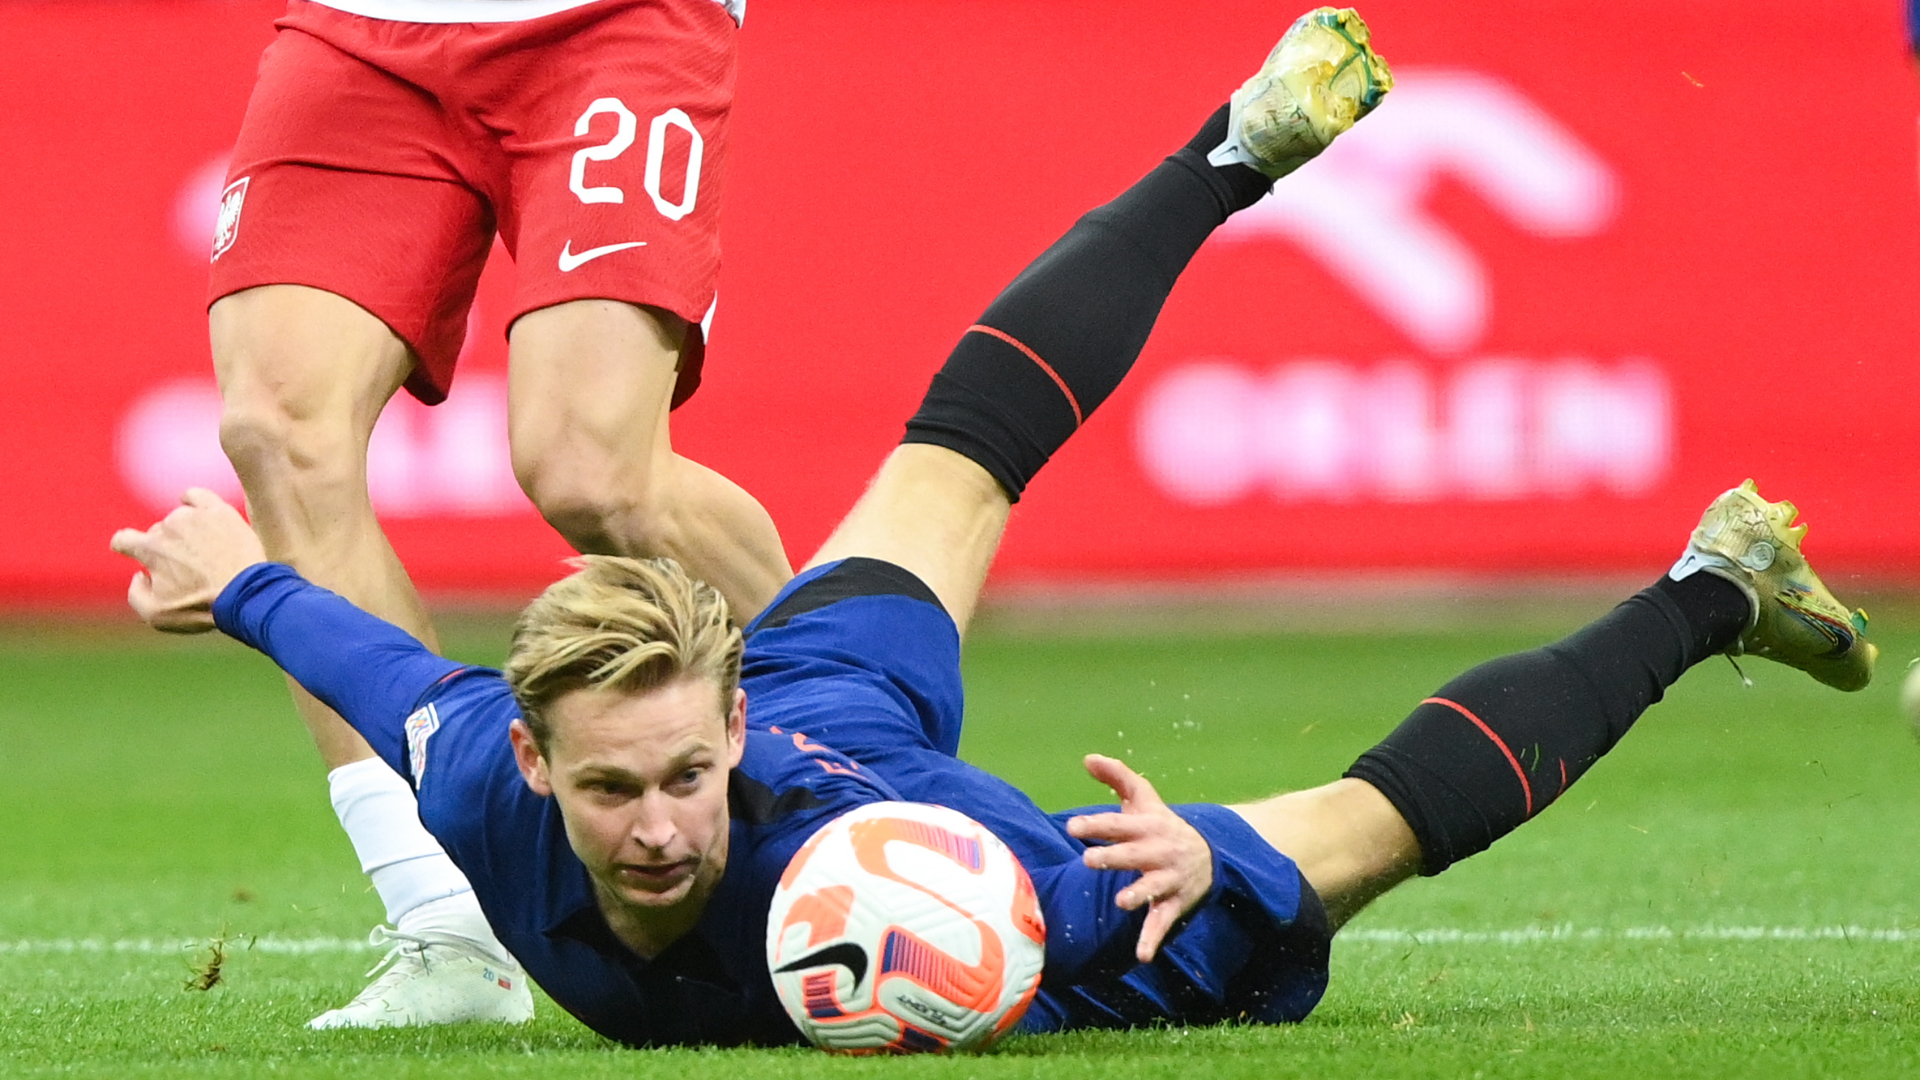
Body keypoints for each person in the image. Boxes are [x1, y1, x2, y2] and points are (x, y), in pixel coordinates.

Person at [116, 8, 1878, 1047]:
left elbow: (380, 656)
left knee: (1330, 829)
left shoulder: (980, 885)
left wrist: (1176, 859)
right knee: (962, 478)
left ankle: (1239, 157)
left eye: (674, 777)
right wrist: (241, 580)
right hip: (837, 708)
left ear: (728, 729)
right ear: (532, 764)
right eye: (613, 791)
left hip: (921, 802)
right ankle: (1724, 581)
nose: (654, 830)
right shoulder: (481, 789)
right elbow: (356, 651)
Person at [189, 0, 791, 1028]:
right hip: (357, 27)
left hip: (614, 20)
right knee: (280, 434)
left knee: (593, 470)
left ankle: (877, 783)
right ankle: (446, 923)